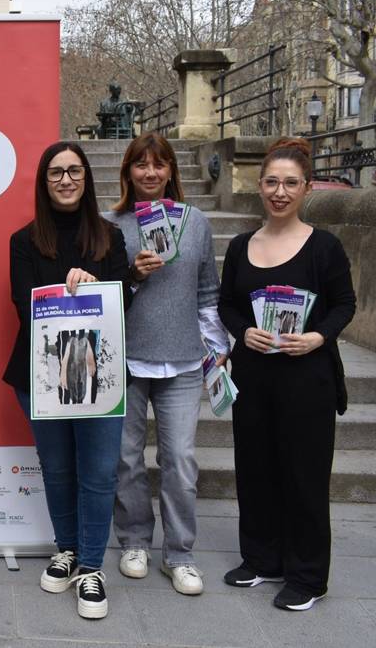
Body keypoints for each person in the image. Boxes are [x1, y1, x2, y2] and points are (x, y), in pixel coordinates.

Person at [217, 137, 355, 611]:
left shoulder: (324, 247)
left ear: (306, 188)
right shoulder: (240, 247)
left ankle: (308, 576)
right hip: (254, 376)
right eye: (272, 182)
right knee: (255, 470)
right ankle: (261, 558)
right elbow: (227, 304)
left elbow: (344, 304)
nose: (280, 191)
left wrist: (319, 338)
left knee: (304, 476)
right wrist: (242, 332)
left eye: (290, 183)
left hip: (307, 377)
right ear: (260, 186)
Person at [2, 141, 131, 619]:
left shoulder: (110, 238)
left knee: (98, 474)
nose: (66, 180)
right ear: (43, 182)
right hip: (41, 375)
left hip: (100, 376)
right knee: (57, 468)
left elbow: (125, 303)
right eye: (55, 172)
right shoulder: (23, 241)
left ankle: (93, 568)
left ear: (86, 178)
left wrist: (98, 290)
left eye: (74, 171)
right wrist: (64, 292)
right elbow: (23, 303)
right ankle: (68, 550)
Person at [105, 132, 230, 597]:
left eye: (159, 165)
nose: (151, 173)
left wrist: (216, 347)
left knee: (179, 459)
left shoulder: (195, 221)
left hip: (181, 361)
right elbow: (104, 294)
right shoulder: (110, 223)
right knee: (126, 458)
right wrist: (132, 274)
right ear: (128, 172)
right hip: (127, 359)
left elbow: (207, 291)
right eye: (141, 165)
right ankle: (135, 540)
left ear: (171, 171)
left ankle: (179, 553)